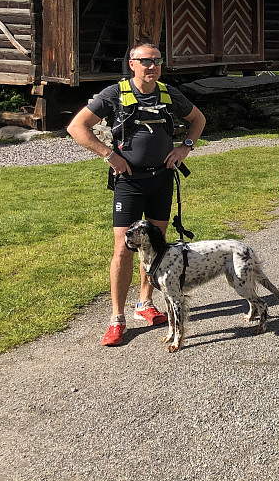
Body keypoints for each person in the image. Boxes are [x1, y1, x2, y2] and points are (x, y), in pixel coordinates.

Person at [67, 42, 206, 347]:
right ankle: (117, 319)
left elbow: (198, 120)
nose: (152, 66)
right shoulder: (114, 94)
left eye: (157, 61)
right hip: (129, 183)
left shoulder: (169, 93)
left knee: (155, 245)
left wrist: (185, 147)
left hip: (162, 180)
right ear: (132, 64)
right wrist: (107, 154)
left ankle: (144, 304)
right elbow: (77, 127)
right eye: (145, 61)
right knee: (123, 249)